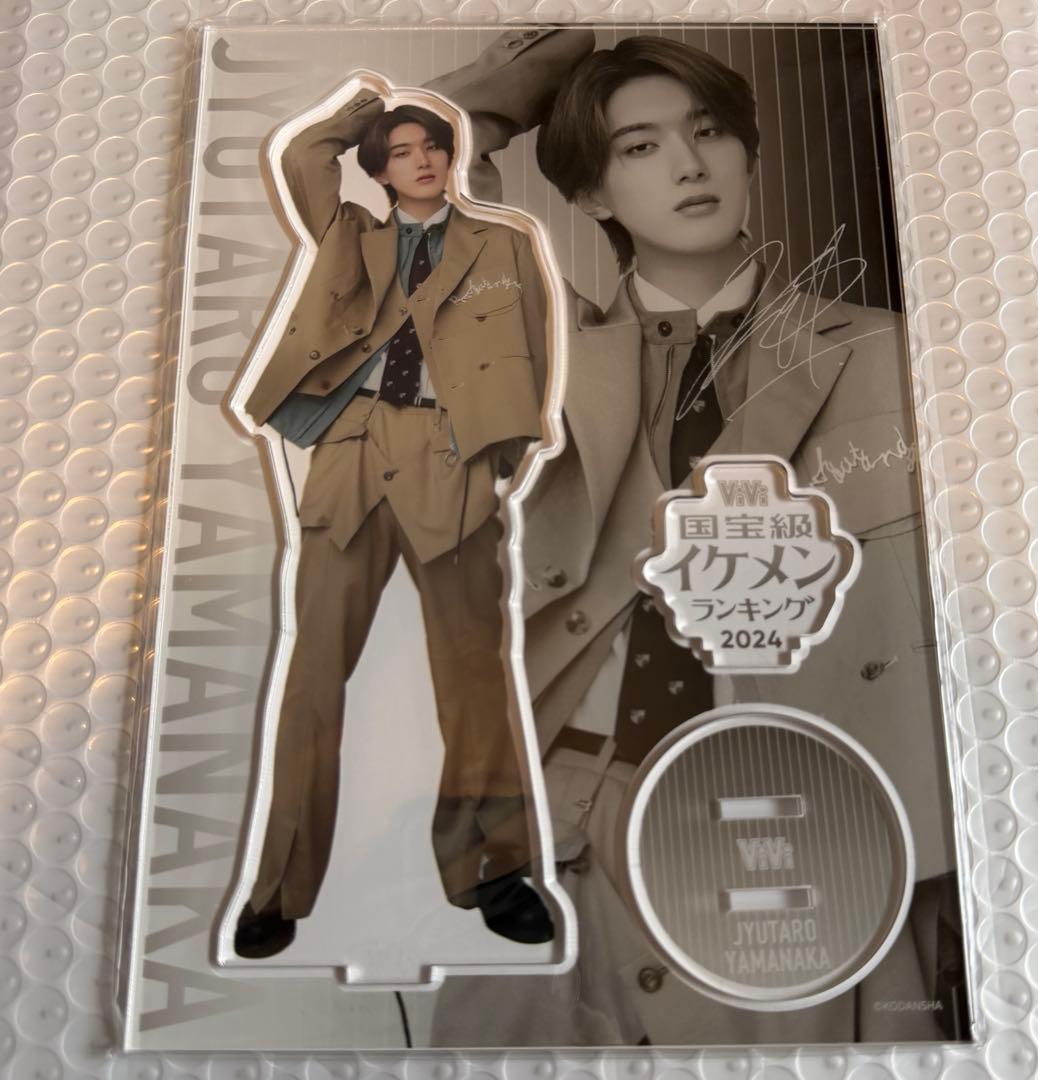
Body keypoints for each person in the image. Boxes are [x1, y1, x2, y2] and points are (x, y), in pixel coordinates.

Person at [430, 29, 968, 1045]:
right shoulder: (532, 357)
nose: (688, 163)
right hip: (561, 817)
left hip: (803, 825)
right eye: (639, 146)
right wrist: (553, 68)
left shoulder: (896, 358)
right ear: (588, 193)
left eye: (710, 131)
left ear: (751, 155)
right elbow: (407, 167)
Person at [233, 84, 561, 958]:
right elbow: (304, 158)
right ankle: (278, 887)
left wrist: (498, 455)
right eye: (403, 151)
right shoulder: (350, 234)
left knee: (474, 677)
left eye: (434, 147)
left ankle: (494, 871)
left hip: (450, 455)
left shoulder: (503, 243)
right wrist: (367, 107)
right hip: (350, 450)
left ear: (452, 160)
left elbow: (534, 348)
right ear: (378, 168)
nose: (423, 161)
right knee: (312, 677)